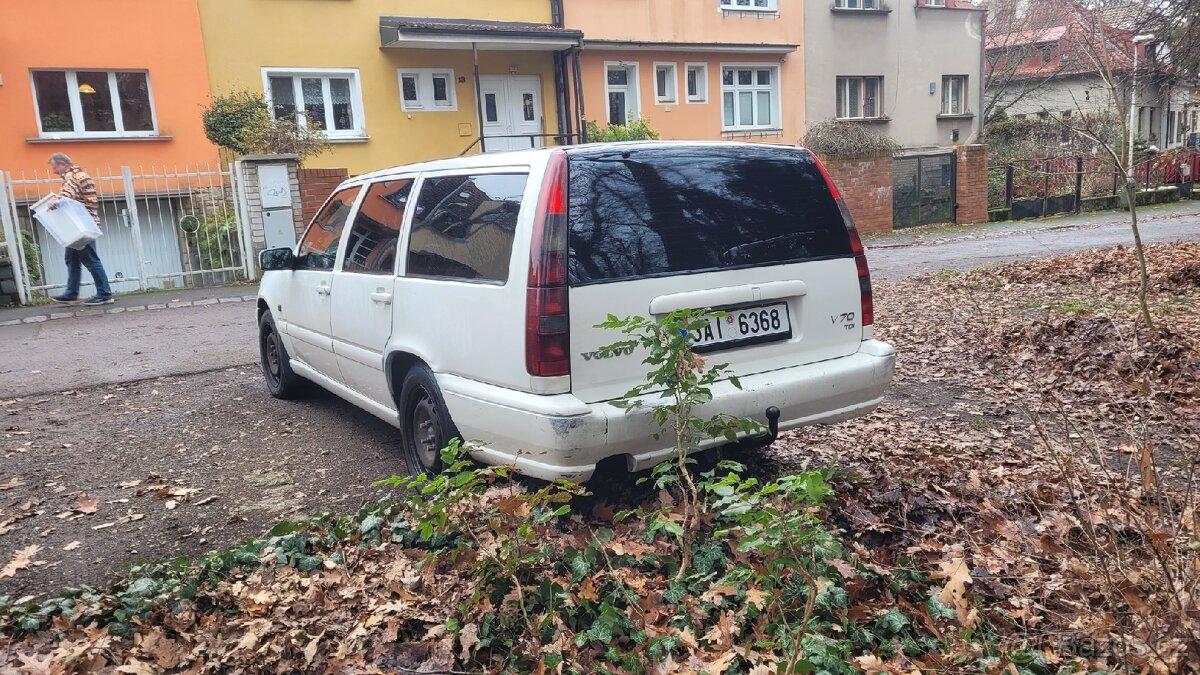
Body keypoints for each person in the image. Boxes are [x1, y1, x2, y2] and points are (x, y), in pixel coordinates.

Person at [47, 153, 113, 305]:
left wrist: (55, 201)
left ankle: (104, 293)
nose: (54, 171)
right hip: (80, 225)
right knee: (72, 259)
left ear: (63, 164)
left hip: (82, 225)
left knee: (90, 259)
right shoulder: (78, 175)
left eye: (55, 167)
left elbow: (68, 193)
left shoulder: (74, 176)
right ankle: (71, 293)